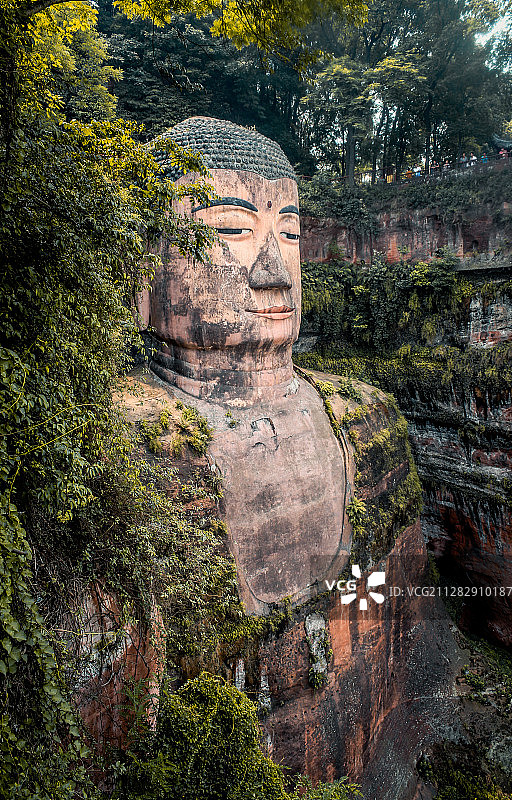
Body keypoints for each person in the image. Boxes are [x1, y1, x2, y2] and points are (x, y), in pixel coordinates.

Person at [138, 116, 349, 613]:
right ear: (143, 271)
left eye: (290, 234)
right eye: (233, 229)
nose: (273, 271)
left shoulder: (360, 418)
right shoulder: (136, 456)